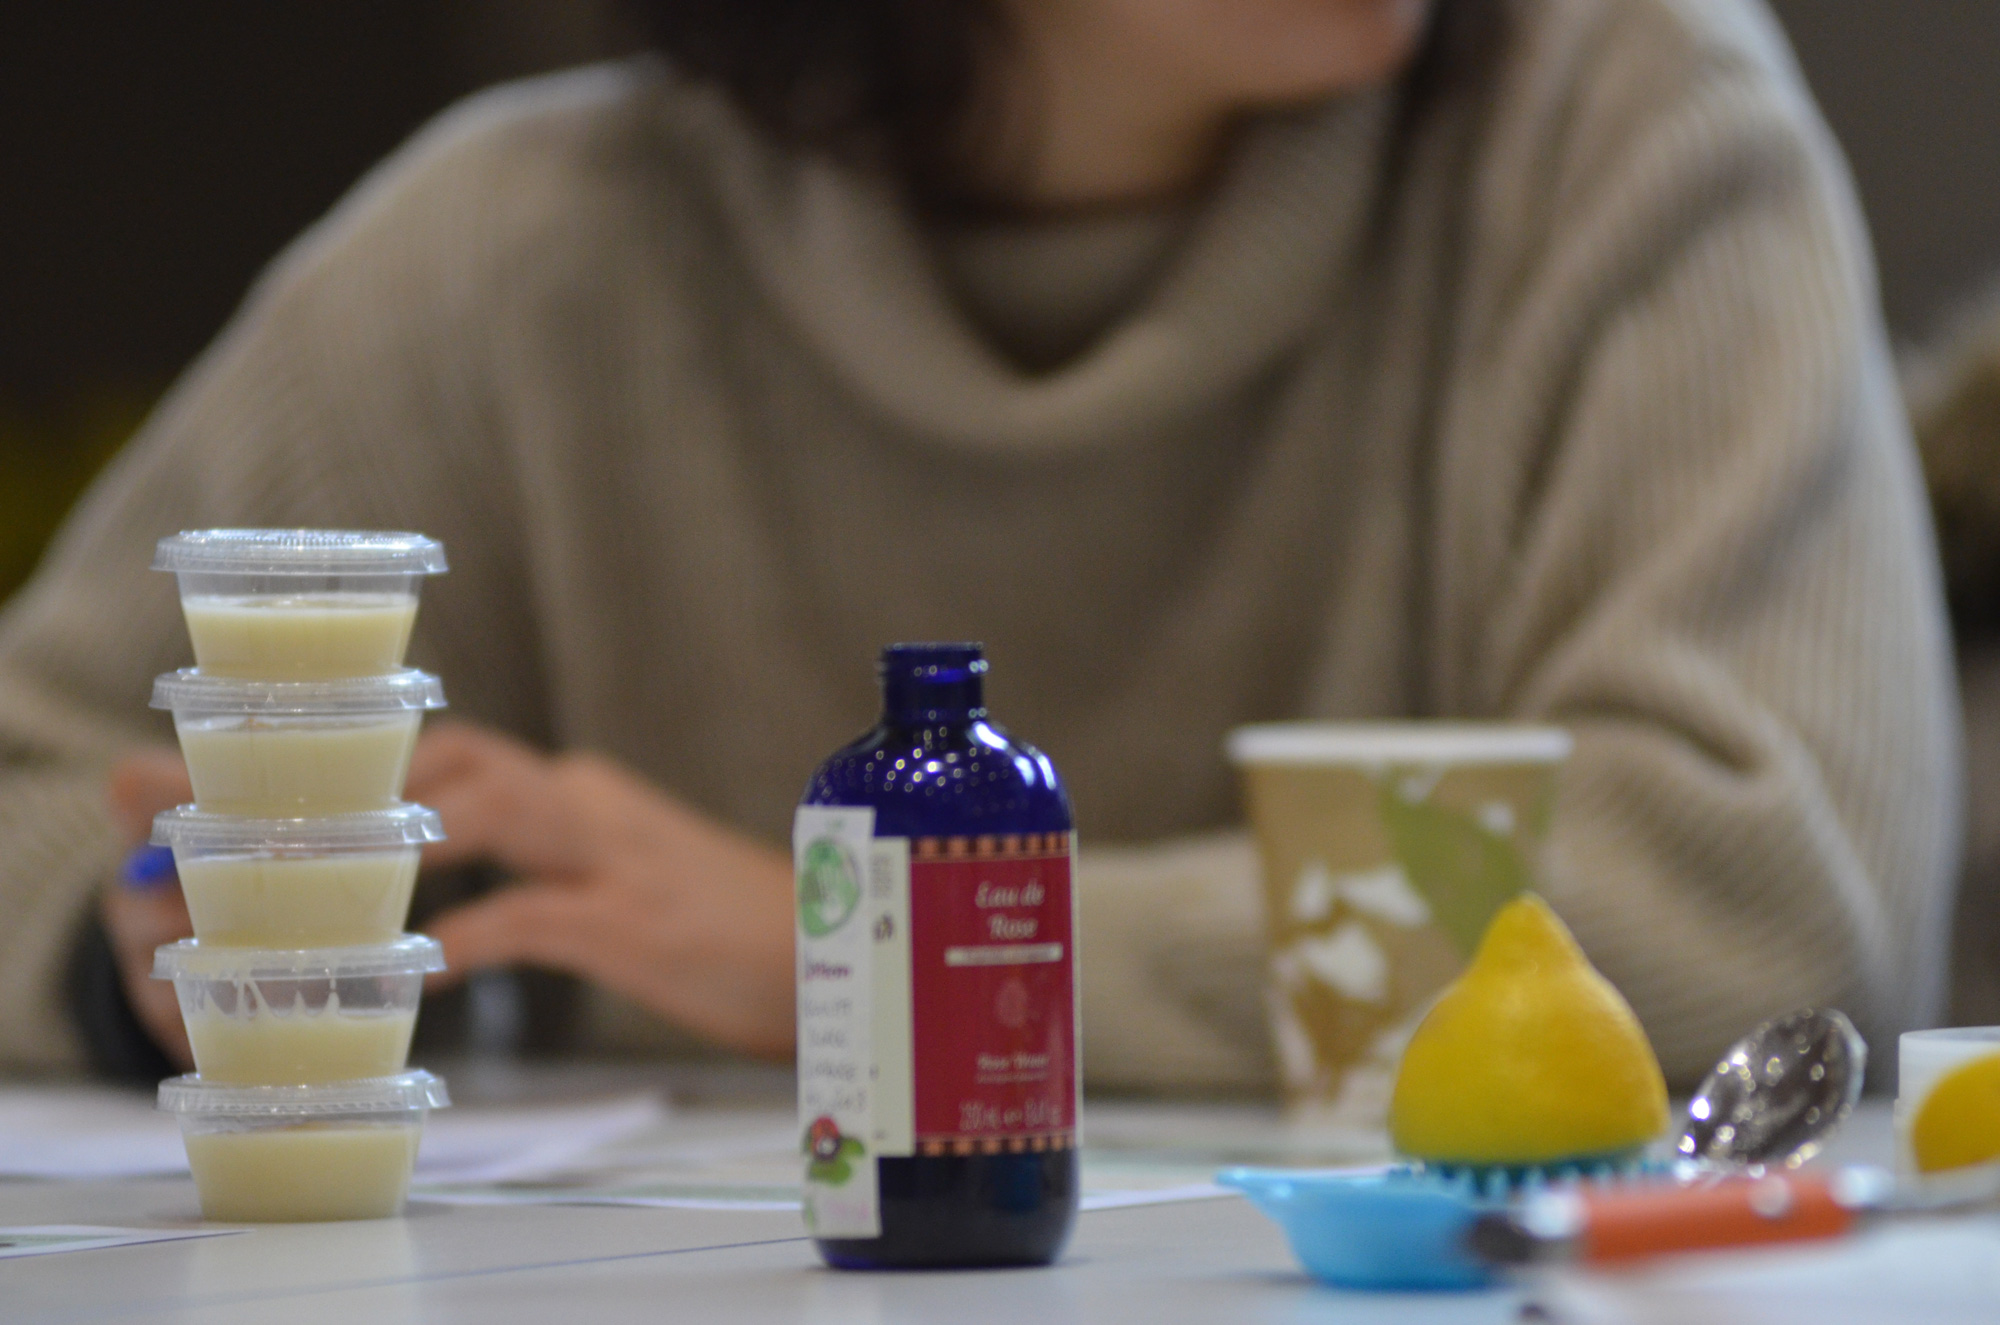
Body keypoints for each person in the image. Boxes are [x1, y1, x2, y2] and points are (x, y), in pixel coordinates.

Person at [0, 0, 1959, 1091]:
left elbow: (1762, 910)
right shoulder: (516, 257)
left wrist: (870, 954)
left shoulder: (1633, 126)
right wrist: (143, 950)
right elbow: (50, 787)